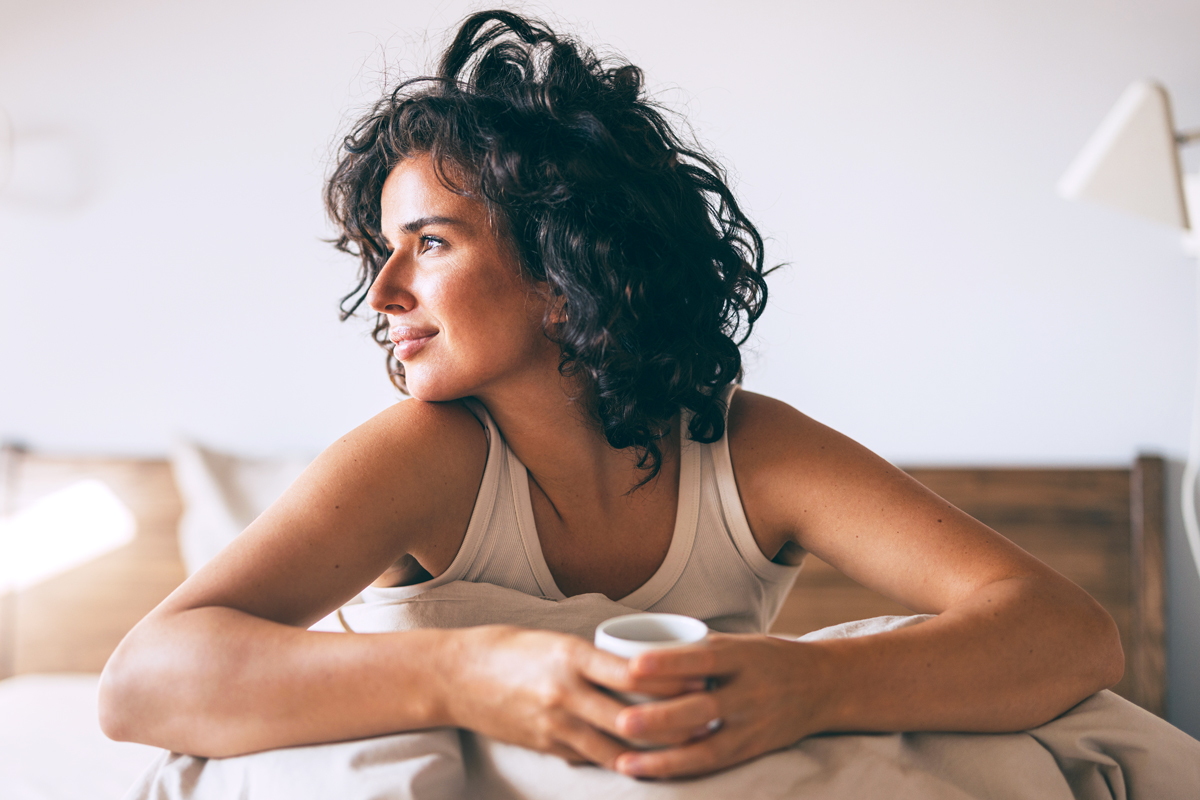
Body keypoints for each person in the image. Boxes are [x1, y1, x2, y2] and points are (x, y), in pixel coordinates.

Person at [98, 10, 1123, 780]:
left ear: (560, 267)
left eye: (431, 242)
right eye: (382, 247)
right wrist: (465, 672)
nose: (382, 291)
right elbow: (141, 679)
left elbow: (1070, 632)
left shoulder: (748, 450)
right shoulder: (425, 456)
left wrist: (813, 685)